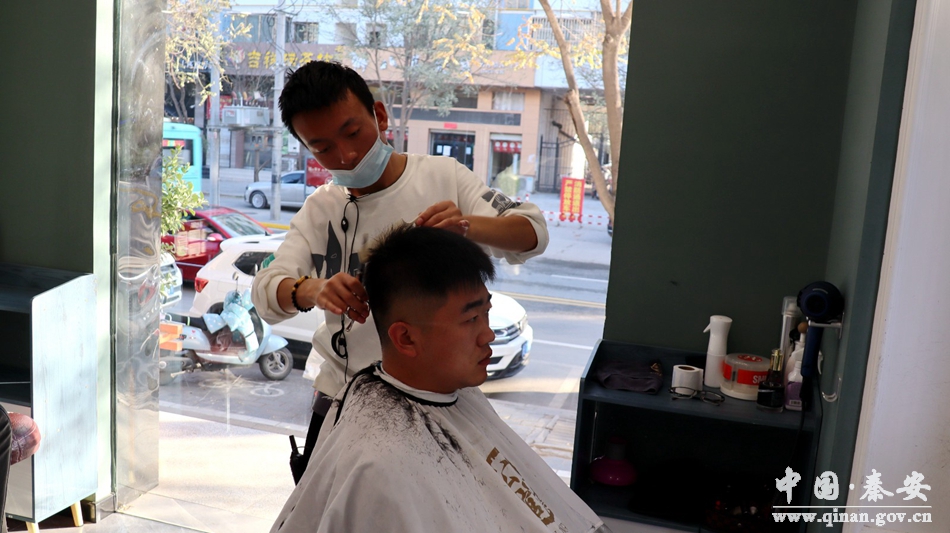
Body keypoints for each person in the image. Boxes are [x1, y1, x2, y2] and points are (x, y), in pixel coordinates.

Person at [251, 60, 549, 482]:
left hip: (437, 402)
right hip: (343, 403)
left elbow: (532, 232)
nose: (346, 155)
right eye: (322, 148)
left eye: (352, 133)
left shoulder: (442, 177)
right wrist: (313, 290)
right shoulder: (322, 208)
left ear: (380, 115)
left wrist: (467, 225)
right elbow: (267, 290)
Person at [270, 226, 608, 533]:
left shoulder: (458, 394)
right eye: (471, 318)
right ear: (406, 338)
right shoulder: (379, 466)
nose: (488, 334)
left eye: (487, 313)